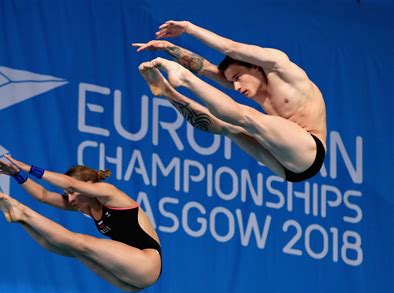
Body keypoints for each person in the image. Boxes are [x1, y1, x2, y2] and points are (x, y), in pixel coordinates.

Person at [133, 20, 326, 182]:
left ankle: (184, 79)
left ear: (255, 67)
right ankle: (168, 93)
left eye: (238, 77)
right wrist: (168, 47)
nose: (236, 87)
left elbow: (230, 48)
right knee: (227, 128)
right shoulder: (252, 87)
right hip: (285, 167)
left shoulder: (280, 66)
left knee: (248, 117)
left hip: (309, 151)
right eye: (233, 81)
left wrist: (188, 28)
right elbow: (205, 67)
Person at [0, 155, 162, 292]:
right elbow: (43, 196)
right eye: (67, 194)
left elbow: (71, 182)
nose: (70, 198)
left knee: (80, 242)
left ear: (88, 185)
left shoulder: (109, 193)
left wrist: (29, 169)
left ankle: (24, 212)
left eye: (72, 192)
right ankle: (20, 218)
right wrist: (16, 174)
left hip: (147, 262)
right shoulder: (85, 206)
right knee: (64, 247)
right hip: (129, 282)